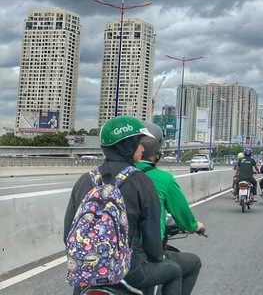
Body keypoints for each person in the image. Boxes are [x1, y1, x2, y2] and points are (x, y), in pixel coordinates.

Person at [64, 116, 182, 295]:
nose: (142, 148)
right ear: (128, 145)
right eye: (139, 142)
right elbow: (152, 238)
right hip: (130, 271)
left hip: (87, 270)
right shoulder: (141, 181)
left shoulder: (85, 180)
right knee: (174, 272)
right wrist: (156, 258)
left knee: (82, 286)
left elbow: (68, 233)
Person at [136, 122, 204, 295]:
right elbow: (184, 218)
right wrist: (195, 226)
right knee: (189, 264)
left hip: (104, 256)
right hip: (142, 257)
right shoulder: (163, 179)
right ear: (157, 150)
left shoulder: (102, 177)